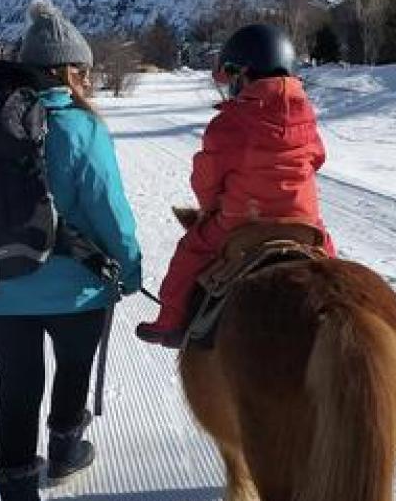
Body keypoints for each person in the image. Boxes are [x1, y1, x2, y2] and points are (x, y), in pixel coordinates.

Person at [0, 0, 142, 501]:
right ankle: (66, 448)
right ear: (70, 71)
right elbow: (110, 212)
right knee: (72, 368)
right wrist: (130, 269)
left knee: (17, 389)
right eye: (86, 72)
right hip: (75, 288)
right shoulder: (81, 129)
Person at [135, 24, 334, 348]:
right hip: (303, 223)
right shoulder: (307, 117)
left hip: (242, 222)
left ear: (242, 74)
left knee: (191, 250)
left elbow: (208, 183)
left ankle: (169, 320)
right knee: (329, 262)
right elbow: (318, 159)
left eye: (231, 79)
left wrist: (210, 209)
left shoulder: (229, 123)